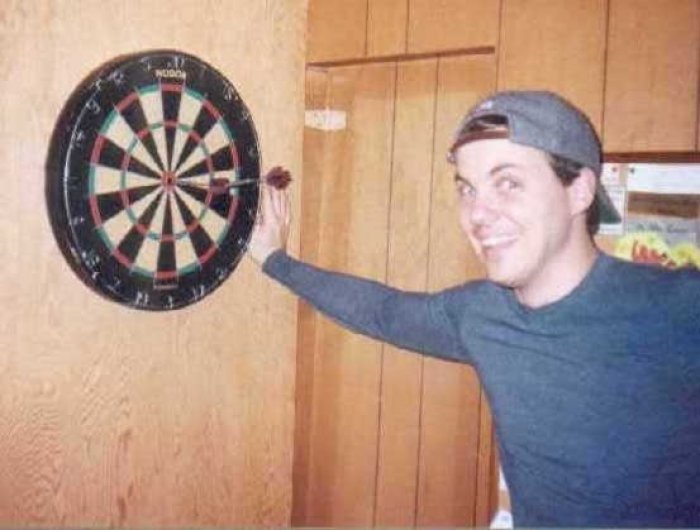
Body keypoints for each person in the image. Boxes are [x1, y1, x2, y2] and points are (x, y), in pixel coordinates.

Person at [248, 90, 700, 527]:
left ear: (580, 190)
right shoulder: (480, 314)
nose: (477, 215)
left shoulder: (679, 309)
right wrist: (274, 259)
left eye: (508, 183)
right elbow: (383, 312)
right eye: (467, 189)